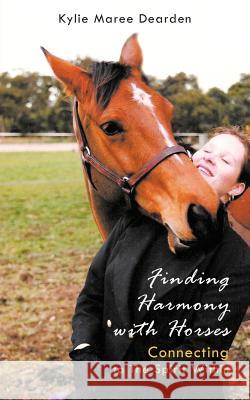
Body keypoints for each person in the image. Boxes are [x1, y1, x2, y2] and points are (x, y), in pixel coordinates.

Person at [69, 126, 250, 361]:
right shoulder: (134, 220)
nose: (211, 158)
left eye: (225, 160)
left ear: (236, 188)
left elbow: (202, 350)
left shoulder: (236, 259)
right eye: (208, 150)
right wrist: (85, 354)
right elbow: (92, 297)